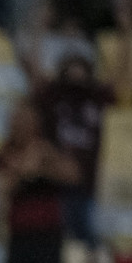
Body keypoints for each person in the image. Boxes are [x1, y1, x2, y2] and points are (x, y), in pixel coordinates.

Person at [0, 100, 82, 263]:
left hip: (48, 235)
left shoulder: (48, 152)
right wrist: (21, 172)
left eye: (24, 121)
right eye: (15, 121)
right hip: (19, 236)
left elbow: (74, 176)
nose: (18, 126)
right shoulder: (4, 154)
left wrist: (44, 167)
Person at [29, 52, 108, 245]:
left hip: (86, 186)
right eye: (72, 66)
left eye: (79, 66)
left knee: (89, 243)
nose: (76, 72)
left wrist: (127, 32)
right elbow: (33, 71)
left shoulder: (95, 98)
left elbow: (123, 82)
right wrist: (38, 31)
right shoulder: (54, 96)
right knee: (60, 243)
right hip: (55, 187)